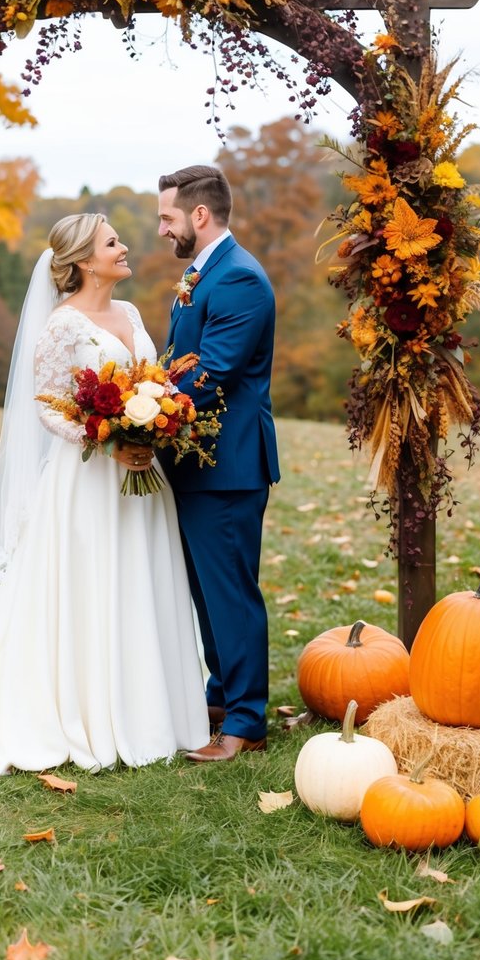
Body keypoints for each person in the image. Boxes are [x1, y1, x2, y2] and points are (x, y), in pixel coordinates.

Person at [0, 212, 209, 775]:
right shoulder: (62, 325)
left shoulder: (132, 312)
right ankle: (87, 706)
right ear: (85, 262)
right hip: (88, 477)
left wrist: (155, 422)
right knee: (92, 582)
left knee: (142, 576)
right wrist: (103, 436)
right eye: (112, 243)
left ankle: (151, 707)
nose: (124, 247)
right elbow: (45, 403)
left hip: (142, 475)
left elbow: (153, 379)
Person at [157, 164, 280, 763]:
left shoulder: (240, 280)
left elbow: (214, 372)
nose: (162, 228)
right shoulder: (201, 273)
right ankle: (221, 696)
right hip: (196, 461)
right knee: (207, 591)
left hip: (227, 464)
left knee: (230, 591)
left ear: (198, 215)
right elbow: (181, 356)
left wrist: (147, 411)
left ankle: (248, 720)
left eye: (167, 217)